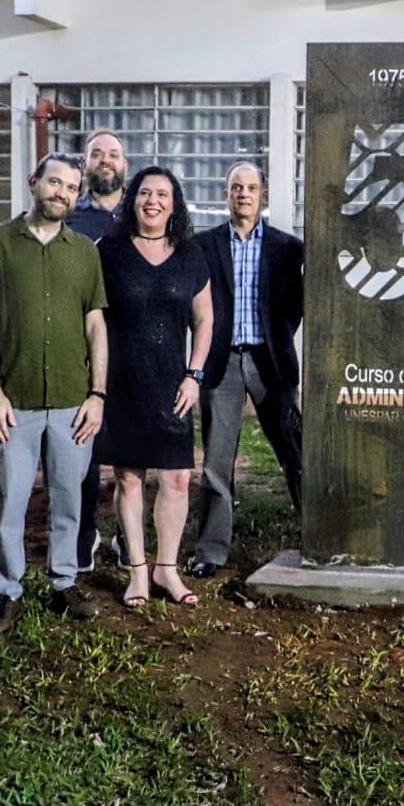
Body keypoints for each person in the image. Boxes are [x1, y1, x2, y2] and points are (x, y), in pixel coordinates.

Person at [0, 152, 109, 636]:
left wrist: (97, 393)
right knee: (11, 497)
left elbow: (96, 325)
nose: (61, 193)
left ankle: (63, 583)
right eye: (54, 182)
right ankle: (7, 592)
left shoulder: (85, 251)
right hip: (16, 399)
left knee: (68, 495)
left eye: (71, 187)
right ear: (34, 183)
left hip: (74, 400)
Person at [96, 166, 213, 606]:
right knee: (128, 480)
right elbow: (93, 316)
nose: (153, 201)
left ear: (174, 203)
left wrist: (194, 374)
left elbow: (204, 319)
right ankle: (138, 574)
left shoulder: (190, 253)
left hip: (173, 384)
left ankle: (167, 569)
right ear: (133, 199)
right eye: (145, 193)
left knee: (178, 479)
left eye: (163, 194)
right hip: (123, 381)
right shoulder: (109, 250)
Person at [190, 162, 305, 578]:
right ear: (226, 195)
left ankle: (317, 538)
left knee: (295, 452)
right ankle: (211, 551)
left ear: (264, 195)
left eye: (251, 187)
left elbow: (296, 304)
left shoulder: (288, 248)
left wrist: (279, 337)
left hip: (269, 363)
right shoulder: (204, 245)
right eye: (235, 187)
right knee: (217, 462)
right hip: (222, 363)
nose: (243, 194)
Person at [65, 129, 129, 574]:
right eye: (96, 154)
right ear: (84, 164)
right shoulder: (71, 215)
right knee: (83, 448)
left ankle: (130, 538)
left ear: (126, 163)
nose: (105, 160)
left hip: (133, 347)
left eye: (114, 154)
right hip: (83, 347)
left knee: (129, 453)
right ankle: (84, 536)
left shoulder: (145, 210)